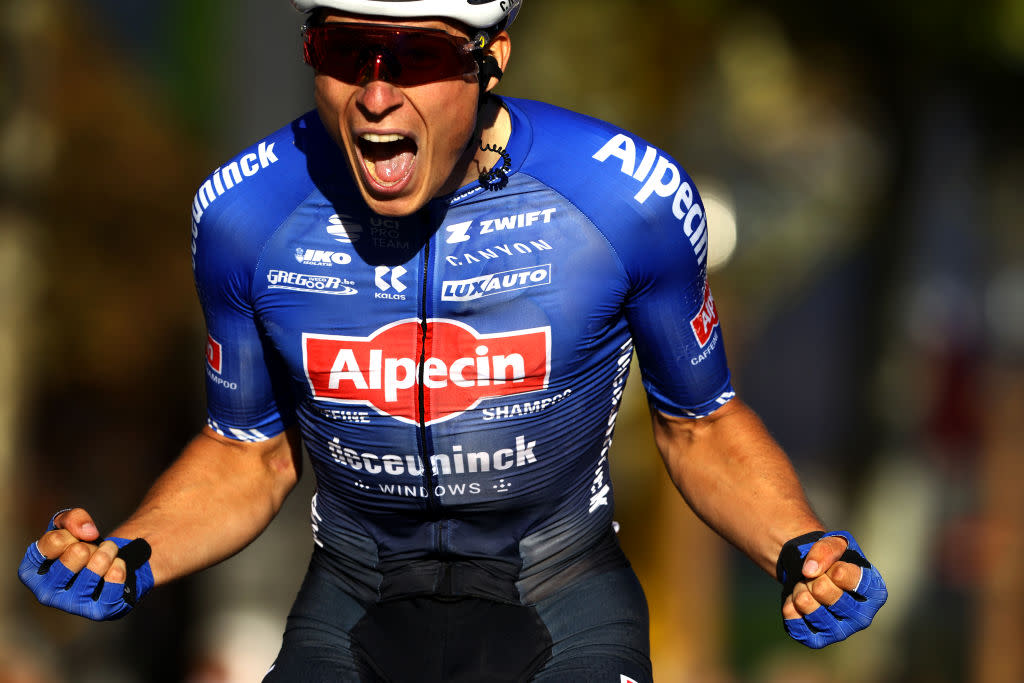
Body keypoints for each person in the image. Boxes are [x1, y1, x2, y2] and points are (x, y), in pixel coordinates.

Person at [19, 1, 887, 680]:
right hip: (354, 603)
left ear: (492, 56)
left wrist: (799, 543)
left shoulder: (625, 201)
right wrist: (129, 552)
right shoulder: (246, 214)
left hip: (560, 603)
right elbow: (249, 454)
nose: (376, 93)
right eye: (345, 51)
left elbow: (697, 424)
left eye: (420, 58)